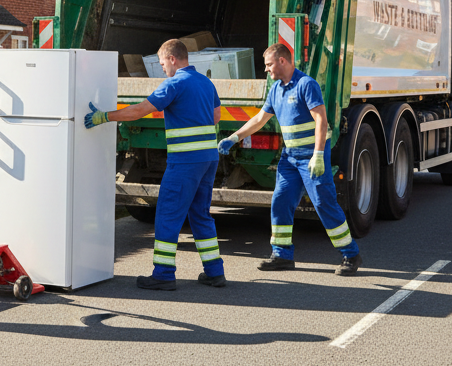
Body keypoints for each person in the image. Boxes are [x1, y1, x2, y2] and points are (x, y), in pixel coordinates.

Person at [84, 39, 225, 290]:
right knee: (200, 214)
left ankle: (163, 274)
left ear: (172, 59)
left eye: (162, 63)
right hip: (208, 159)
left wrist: (105, 116)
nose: (162, 69)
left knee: (168, 214)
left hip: (184, 161)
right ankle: (214, 271)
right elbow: (216, 117)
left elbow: (140, 111)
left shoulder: (174, 84)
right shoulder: (206, 82)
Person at [217, 43, 361, 276]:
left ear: (282, 61)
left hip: (311, 159)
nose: (266, 70)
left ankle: (350, 254)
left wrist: (318, 154)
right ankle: (281, 255)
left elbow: (321, 121)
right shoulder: (275, 89)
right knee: (281, 201)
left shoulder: (307, 85)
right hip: (290, 160)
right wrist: (234, 137)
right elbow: (259, 120)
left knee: (324, 204)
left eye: (269, 65)